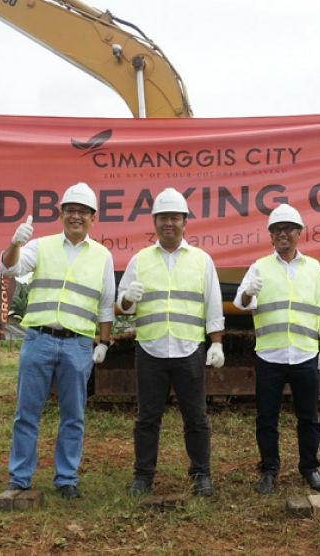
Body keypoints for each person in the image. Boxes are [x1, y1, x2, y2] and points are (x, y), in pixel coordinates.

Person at [0, 182, 115, 500]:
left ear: (93, 218)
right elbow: (8, 267)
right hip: (39, 339)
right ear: (61, 214)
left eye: (83, 212)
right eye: (71, 211)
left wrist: (103, 342)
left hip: (78, 345)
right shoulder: (40, 246)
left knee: (73, 415)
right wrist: (14, 243)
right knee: (27, 412)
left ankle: (66, 479)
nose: (76, 216)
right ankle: (20, 477)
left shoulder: (103, 256)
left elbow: (106, 305)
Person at [117, 187, 225, 497]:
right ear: (154, 222)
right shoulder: (140, 260)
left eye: (175, 218)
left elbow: (212, 304)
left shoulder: (201, 261)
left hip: (189, 349)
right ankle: (143, 476)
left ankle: (201, 474)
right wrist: (127, 298)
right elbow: (124, 306)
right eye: (163, 217)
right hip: (150, 349)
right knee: (147, 418)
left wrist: (215, 343)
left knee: (196, 417)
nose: (169, 223)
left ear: (184, 222)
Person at [234, 203, 320, 494]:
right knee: (267, 418)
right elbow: (241, 304)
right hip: (270, 355)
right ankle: (268, 470)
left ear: (299, 233)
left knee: (309, 417)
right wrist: (247, 292)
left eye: (288, 229)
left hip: (305, 355)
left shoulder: (313, 268)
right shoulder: (259, 266)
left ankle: (310, 468)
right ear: (270, 236)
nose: (282, 235)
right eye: (276, 230)